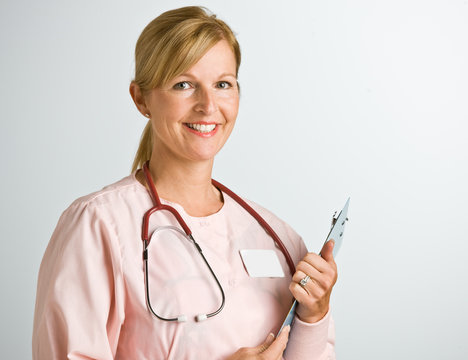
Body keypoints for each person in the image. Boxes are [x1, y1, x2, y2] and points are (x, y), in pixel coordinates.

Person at [32, 6, 337, 359]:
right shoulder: (98, 225)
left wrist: (314, 316)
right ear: (141, 98)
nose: (208, 106)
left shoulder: (279, 237)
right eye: (184, 85)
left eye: (223, 84)